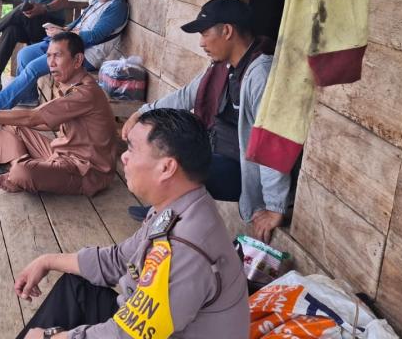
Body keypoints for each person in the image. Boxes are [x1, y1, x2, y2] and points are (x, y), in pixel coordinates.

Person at [15, 109, 249, 339]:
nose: (123, 157)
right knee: (76, 288)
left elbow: (128, 335)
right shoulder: (178, 207)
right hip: (149, 326)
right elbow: (119, 259)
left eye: (132, 149)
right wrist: (47, 260)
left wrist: (53, 337)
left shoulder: (185, 248)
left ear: (166, 168)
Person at [121, 0, 291, 243]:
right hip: (215, 150)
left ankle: (160, 228)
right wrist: (143, 112)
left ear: (227, 31)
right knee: (161, 150)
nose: (201, 42)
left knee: (176, 168)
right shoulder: (224, 68)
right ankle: (159, 216)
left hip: (241, 170)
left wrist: (275, 205)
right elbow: (186, 95)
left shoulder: (260, 74)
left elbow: (273, 143)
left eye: (204, 33)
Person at [0, 32, 118, 196]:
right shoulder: (70, 85)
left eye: (57, 56)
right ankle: (25, 172)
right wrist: (3, 118)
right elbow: (46, 122)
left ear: (78, 60)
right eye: (48, 56)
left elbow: (33, 117)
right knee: (10, 128)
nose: (51, 63)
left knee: (23, 172)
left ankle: (21, 173)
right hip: (60, 154)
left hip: (86, 171)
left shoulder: (85, 93)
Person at [0, 0, 129, 110]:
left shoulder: (117, 6)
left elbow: (94, 36)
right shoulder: (97, 3)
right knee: (25, 54)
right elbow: (79, 22)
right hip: (69, 44)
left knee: (33, 67)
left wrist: (63, 33)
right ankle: (28, 98)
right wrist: (62, 29)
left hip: (85, 55)